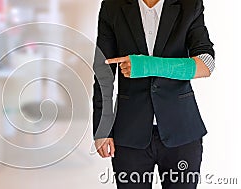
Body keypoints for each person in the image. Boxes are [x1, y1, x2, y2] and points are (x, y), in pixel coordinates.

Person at [92, 0, 215, 188]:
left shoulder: (190, 5)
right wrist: (102, 128)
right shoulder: (112, 6)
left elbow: (206, 64)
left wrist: (147, 65)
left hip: (182, 132)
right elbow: (103, 74)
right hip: (129, 132)